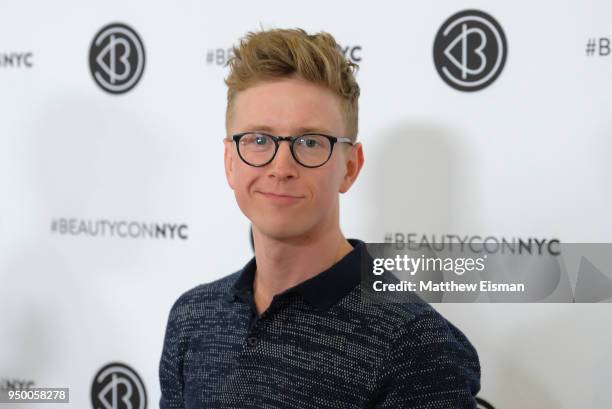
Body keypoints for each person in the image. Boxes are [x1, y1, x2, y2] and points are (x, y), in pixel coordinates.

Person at [159, 27, 480, 409]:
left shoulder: (415, 345)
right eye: (259, 140)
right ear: (230, 162)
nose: (281, 167)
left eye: (309, 142)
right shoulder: (192, 317)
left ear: (350, 167)